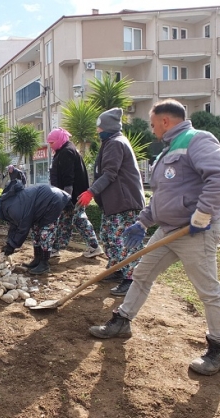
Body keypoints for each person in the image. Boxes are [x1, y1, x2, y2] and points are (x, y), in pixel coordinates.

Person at [88, 99, 220, 377]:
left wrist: (203, 214)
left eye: (153, 123)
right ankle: (122, 321)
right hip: (168, 229)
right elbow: (162, 197)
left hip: (195, 232)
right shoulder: (167, 149)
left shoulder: (197, 140)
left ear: (165, 121)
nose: (153, 128)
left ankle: (218, 348)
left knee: (208, 290)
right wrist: (143, 222)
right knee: (141, 274)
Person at [76, 107, 146, 296]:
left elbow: (110, 174)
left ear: (108, 127)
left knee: (122, 241)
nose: (98, 131)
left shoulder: (116, 143)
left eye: (99, 128)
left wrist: (91, 192)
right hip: (114, 204)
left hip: (124, 203)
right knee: (108, 236)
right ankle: (116, 269)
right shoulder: (110, 142)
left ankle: (131, 278)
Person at [0, 180, 71, 275]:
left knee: (46, 234)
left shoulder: (12, 208)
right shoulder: (6, 206)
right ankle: (37, 259)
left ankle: (44, 263)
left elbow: (23, 228)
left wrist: (12, 246)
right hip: (42, 204)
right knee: (35, 232)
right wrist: (9, 243)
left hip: (52, 201)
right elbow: (14, 225)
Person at [46, 127, 103, 258]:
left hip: (72, 196)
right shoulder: (64, 150)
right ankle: (56, 248)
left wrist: (66, 197)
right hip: (70, 195)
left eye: (52, 143)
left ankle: (94, 246)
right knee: (64, 221)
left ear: (59, 140)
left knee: (79, 219)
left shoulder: (67, 152)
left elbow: (68, 177)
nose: (50, 146)